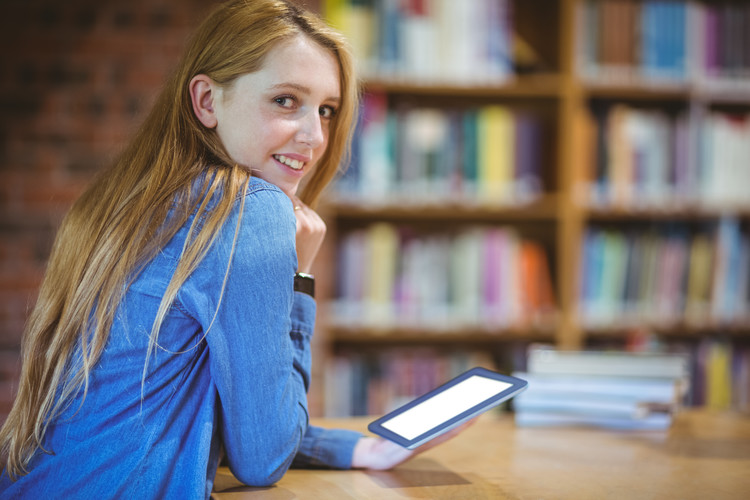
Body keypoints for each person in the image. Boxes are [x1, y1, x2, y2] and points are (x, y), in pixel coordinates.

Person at [0, 0, 470, 498]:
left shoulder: (123, 204)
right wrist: (300, 283)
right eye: (286, 100)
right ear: (206, 101)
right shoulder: (252, 210)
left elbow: (229, 399)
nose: (314, 136)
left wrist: (356, 449)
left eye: (327, 109)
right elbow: (262, 458)